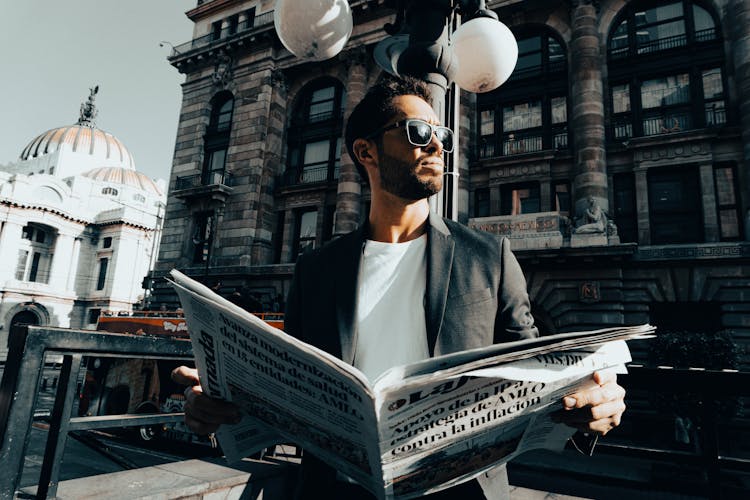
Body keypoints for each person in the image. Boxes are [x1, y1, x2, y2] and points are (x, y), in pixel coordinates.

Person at [172, 76, 626, 499]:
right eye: (416, 131)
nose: (436, 146)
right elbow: (287, 397)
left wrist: (591, 406)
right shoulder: (316, 270)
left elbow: (537, 378)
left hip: (458, 494)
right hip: (333, 490)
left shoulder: (489, 257)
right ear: (366, 152)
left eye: (441, 135)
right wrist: (217, 405)